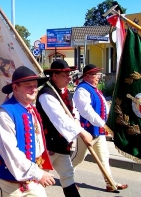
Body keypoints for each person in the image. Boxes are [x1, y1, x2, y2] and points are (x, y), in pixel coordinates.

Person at [0, 66, 54, 197]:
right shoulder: (4, 114)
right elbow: (10, 152)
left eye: (35, 85)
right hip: (11, 185)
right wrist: (39, 174)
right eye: (28, 85)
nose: (34, 89)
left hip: (33, 180)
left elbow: (37, 140)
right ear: (15, 88)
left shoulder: (31, 109)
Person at [36, 60, 93, 197]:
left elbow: (73, 114)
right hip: (47, 146)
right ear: (54, 76)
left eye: (69, 74)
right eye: (65, 75)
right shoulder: (46, 94)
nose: (69, 78)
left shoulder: (65, 92)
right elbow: (59, 118)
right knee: (37, 180)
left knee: (68, 176)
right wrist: (82, 132)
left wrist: (78, 125)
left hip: (61, 145)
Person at [71, 64, 128, 192]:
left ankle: (110, 183)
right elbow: (86, 111)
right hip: (87, 131)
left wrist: (107, 122)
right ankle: (67, 181)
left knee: (104, 157)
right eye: (95, 75)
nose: (98, 77)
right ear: (86, 76)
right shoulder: (82, 90)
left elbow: (104, 108)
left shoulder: (95, 90)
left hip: (99, 131)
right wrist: (103, 124)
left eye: (98, 74)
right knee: (78, 158)